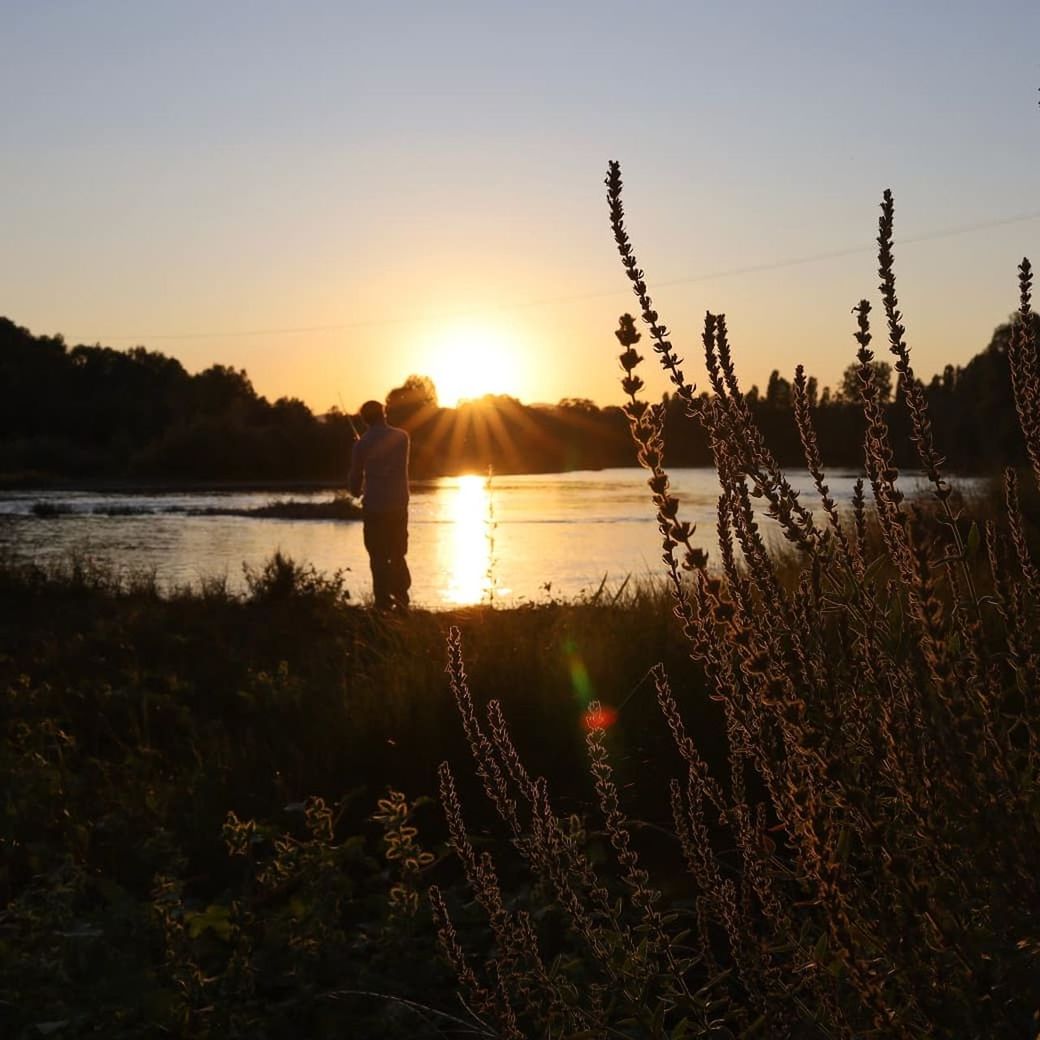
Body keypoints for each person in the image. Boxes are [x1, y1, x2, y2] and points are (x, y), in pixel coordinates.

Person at [348, 399, 412, 611]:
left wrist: (355, 490)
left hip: (374, 507)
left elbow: (355, 484)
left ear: (365, 419)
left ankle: (382, 604)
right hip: (399, 504)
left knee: (377, 556)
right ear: (384, 413)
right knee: (398, 553)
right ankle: (402, 601)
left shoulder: (361, 444)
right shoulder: (402, 437)